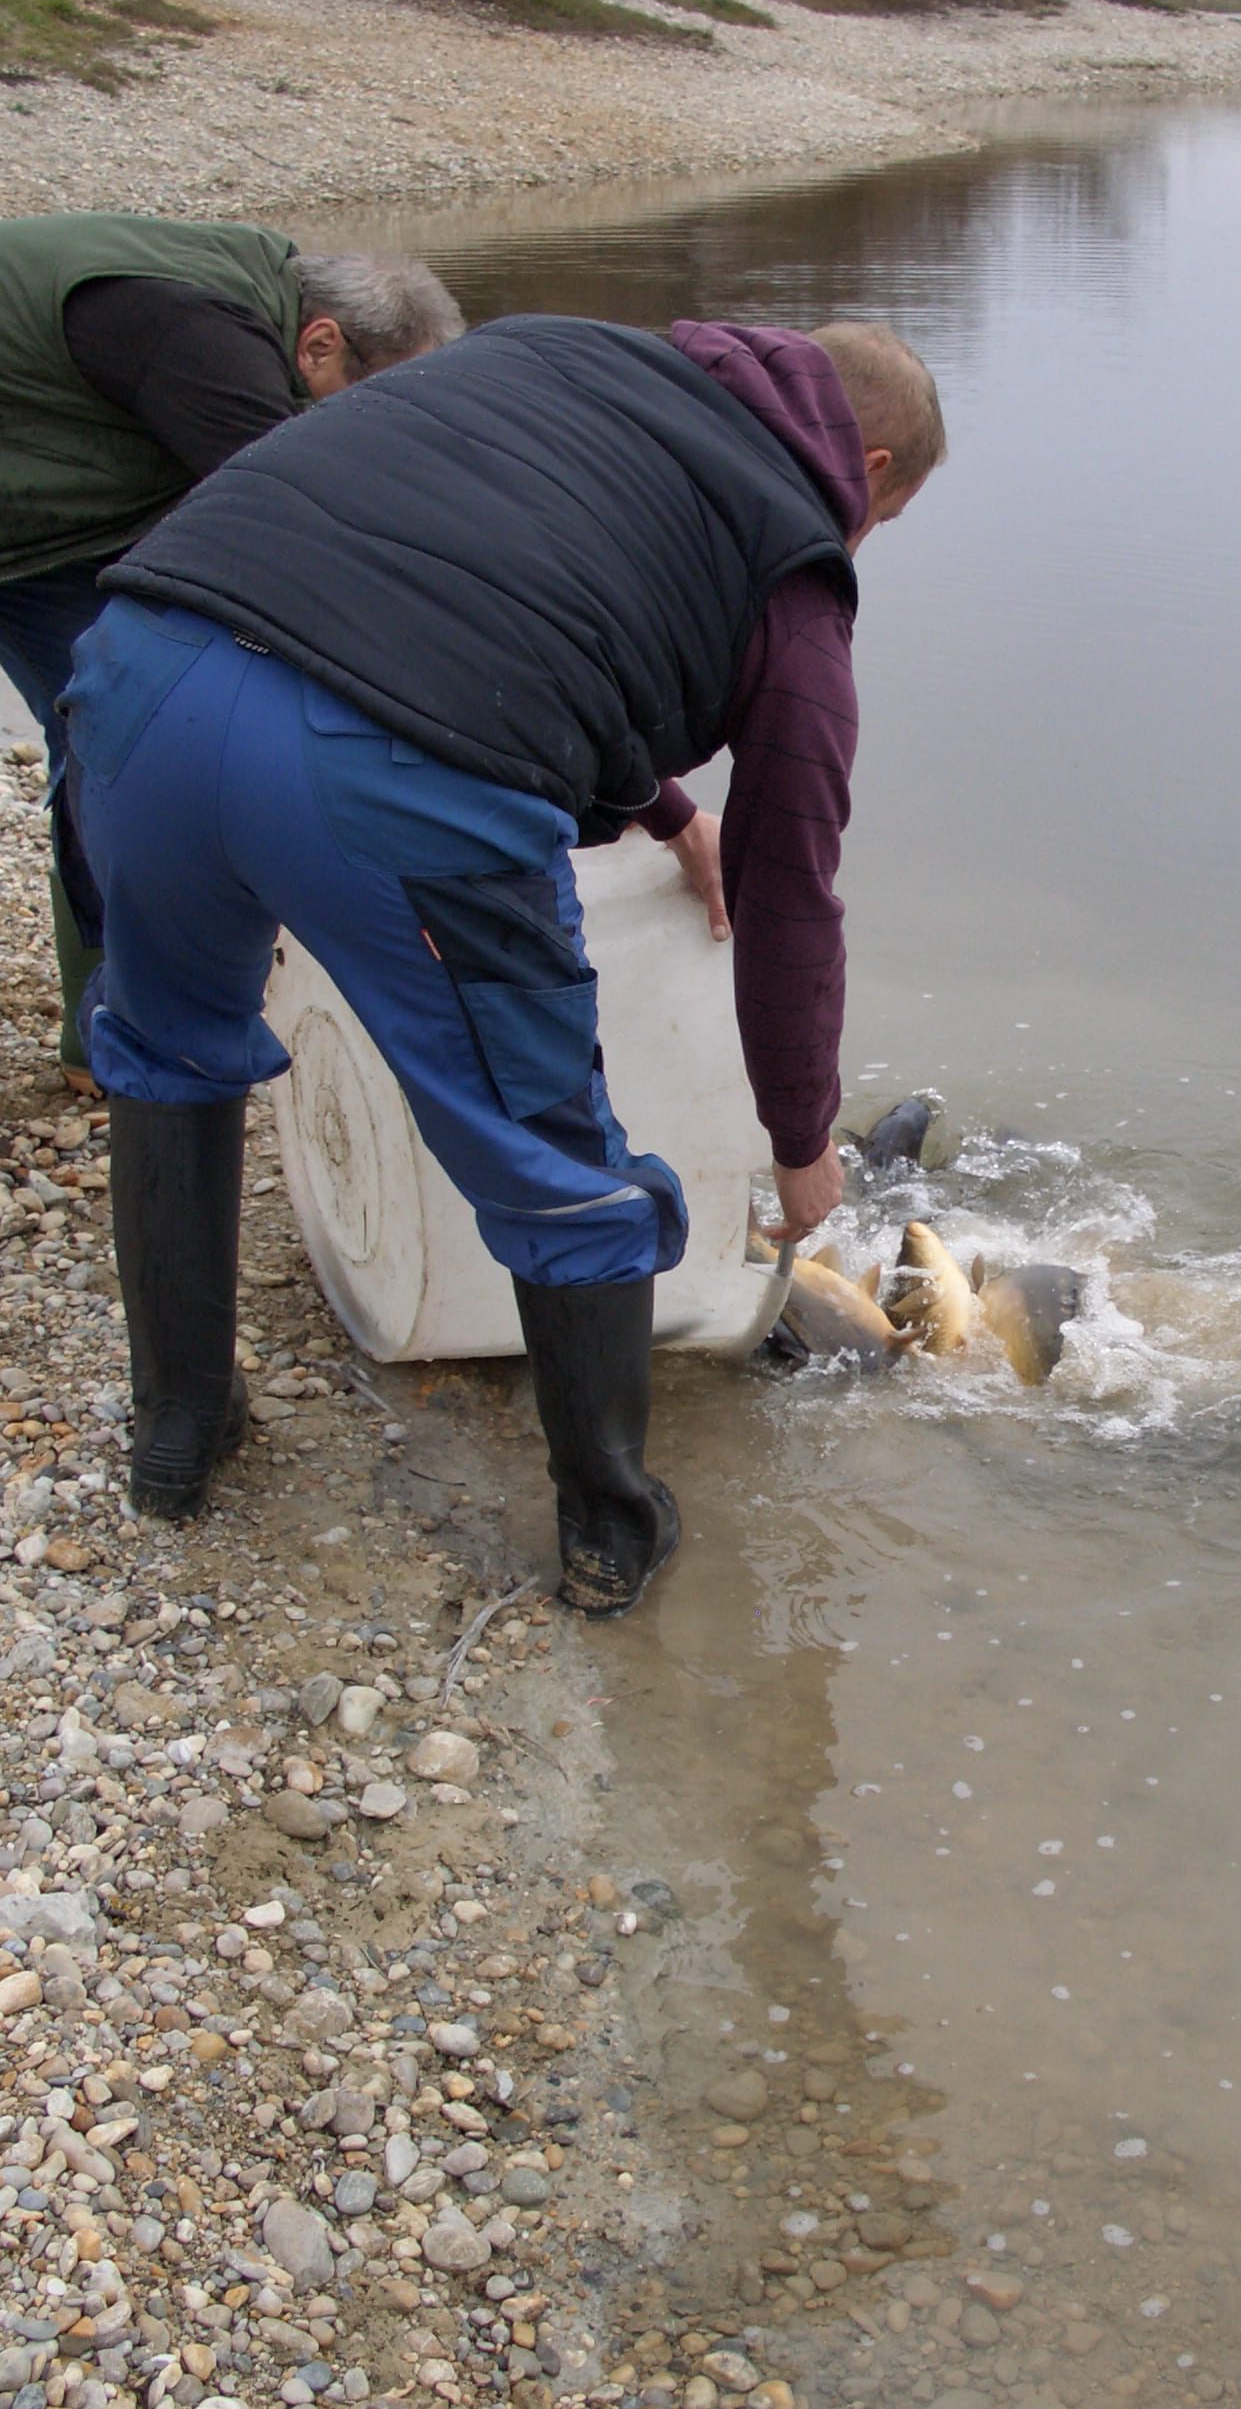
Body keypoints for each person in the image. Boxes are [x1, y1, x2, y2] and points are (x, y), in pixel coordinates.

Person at [63, 312, 944, 1613]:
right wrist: (803, 1143)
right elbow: (791, 898)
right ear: (866, 471)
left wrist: (666, 812)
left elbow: (483, 580)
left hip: (142, 673)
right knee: (559, 1170)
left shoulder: (565, 355)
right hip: (381, 780)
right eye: (884, 521)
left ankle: (178, 1436)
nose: (860, 545)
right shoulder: (796, 575)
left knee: (166, 1050)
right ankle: (608, 1530)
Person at [0, 213, 464, 1121]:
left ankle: (115, 995)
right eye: (378, 404)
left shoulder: (253, 320)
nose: (378, 436)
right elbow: (313, 558)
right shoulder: (200, 343)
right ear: (320, 345)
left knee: (128, 705)